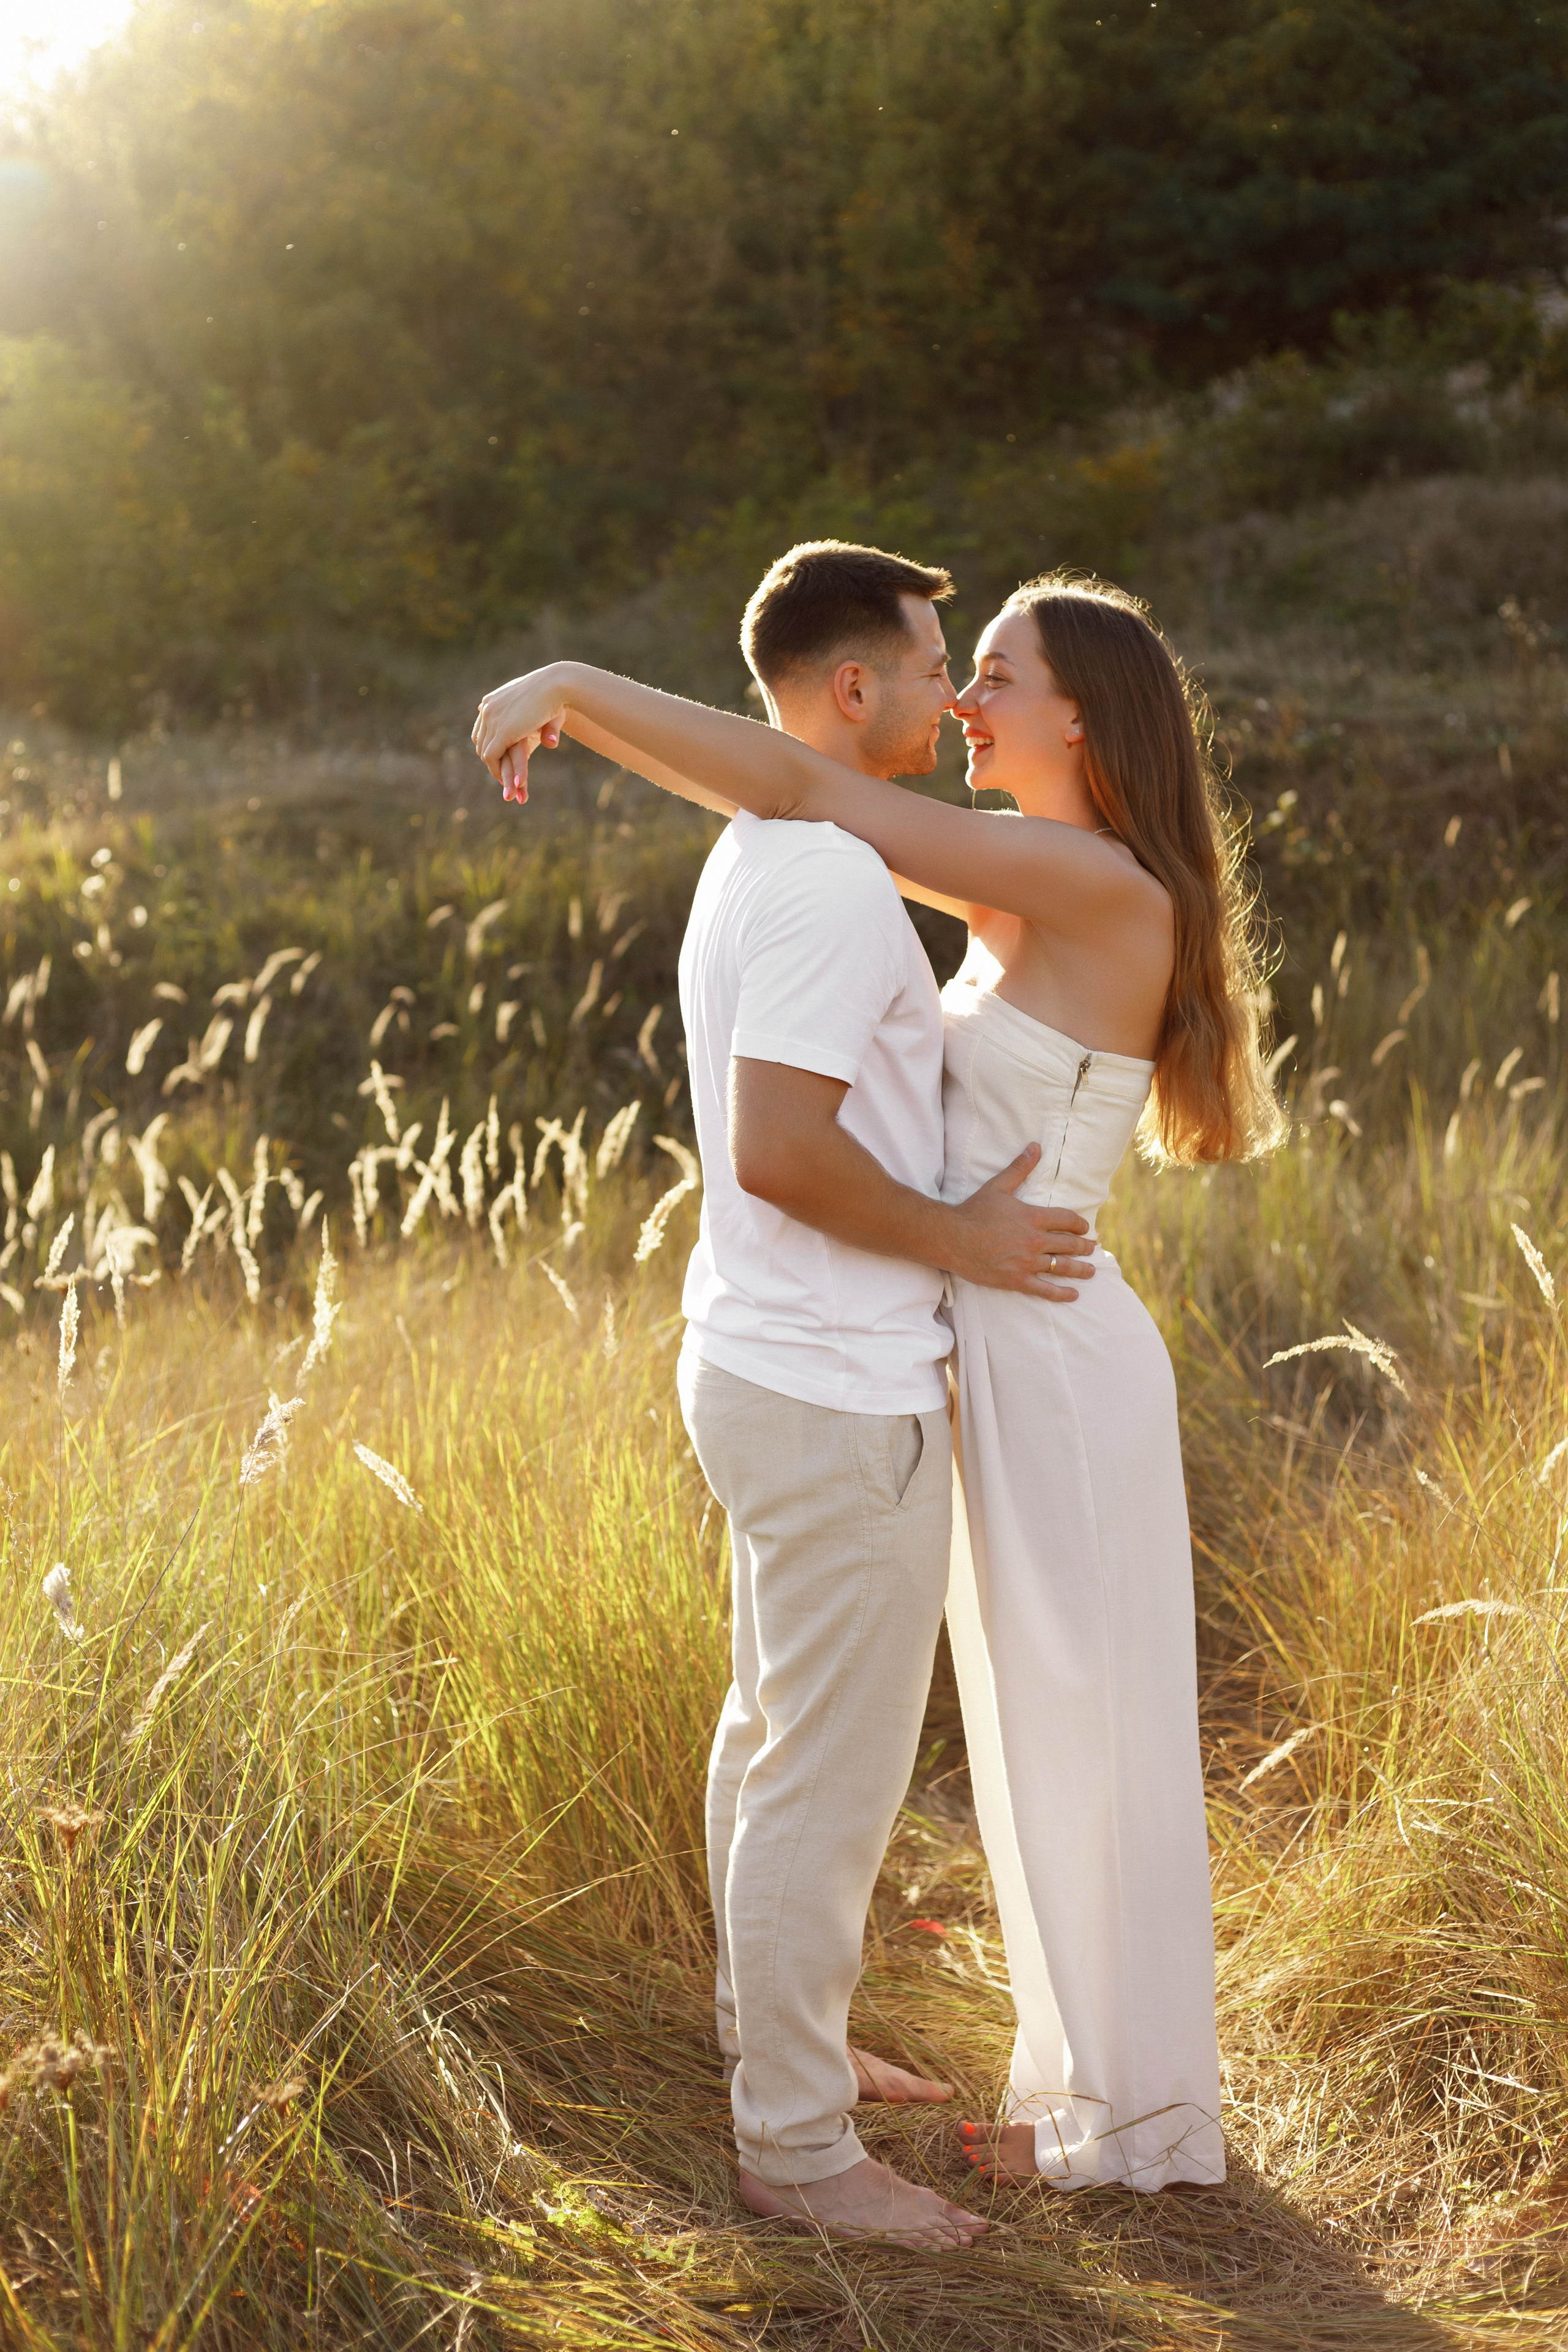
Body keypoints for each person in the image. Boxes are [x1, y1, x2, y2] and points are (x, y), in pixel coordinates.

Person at [473, 556, 1285, 2196]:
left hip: (1047, 1353)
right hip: (975, 1330)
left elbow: (793, 777)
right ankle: (990, 2080)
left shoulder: (1100, 889)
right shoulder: (1024, 878)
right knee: (1005, 1729)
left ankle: (1120, 2120)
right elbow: (793, 786)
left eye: (996, 674)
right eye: (958, 669)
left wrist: (570, 681)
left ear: (1085, 718)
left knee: (1083, 1735)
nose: (970, 700)